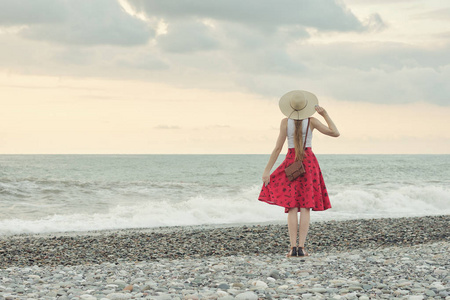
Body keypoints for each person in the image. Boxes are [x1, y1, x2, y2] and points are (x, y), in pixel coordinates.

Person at [258, 90, 340, 258]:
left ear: (290, 107)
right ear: (306, 106)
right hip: (308, 162)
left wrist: (267, 171)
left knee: (292, 206)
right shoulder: (312, 121)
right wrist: (325, 114)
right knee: (305, 206)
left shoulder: (284, 122)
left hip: (291, 161)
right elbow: (335, 133)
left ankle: (292, 248)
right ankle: (302, 248)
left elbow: (277, 148)